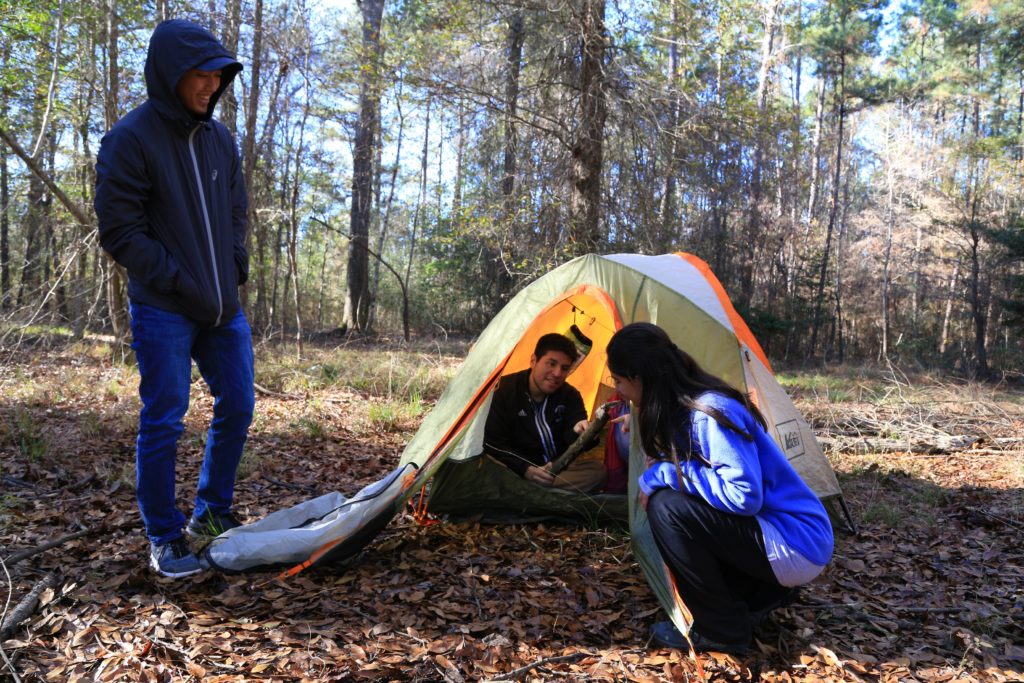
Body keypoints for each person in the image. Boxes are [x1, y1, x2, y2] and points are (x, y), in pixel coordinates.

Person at [95, 19, 254, 578]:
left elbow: (236, 211)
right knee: (164, 419)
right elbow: (119, 229)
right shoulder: (131, 139)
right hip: (164, 307)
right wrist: (174, 278)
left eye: (218, 76)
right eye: (202, 75)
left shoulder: (220, 140)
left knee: (238, 405)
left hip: (221, 310)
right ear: (171, 73)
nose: (212, 86)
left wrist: (236, 264)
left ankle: (211, 513)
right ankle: (164, 536)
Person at [605, 322, 833, 655]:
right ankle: (759, 595)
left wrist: (665, 474)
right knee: (678, 502)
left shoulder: (708, 412)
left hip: (796, 539)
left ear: (638, 378)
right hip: (783, 540)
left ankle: (721, 631)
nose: (618, 389)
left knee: (668, 507)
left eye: (619, 380)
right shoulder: (681, 408)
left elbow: (743, 495)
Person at [483, 333, 606, 492]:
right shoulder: (504, 391)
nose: (557, 374)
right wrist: (525, 469)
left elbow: (575, 435)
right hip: (516, 468)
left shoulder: (570, 395)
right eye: (551, 363)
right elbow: (493, 443)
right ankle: (538, 492)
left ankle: (525, 492)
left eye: (565, 368)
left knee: (597, 472)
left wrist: (585, 433)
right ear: (533, 360)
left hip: (556, 471)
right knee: (490, 465)